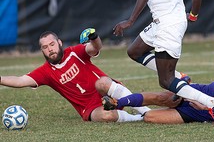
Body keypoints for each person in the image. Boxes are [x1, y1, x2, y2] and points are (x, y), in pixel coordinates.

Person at [103, 21, 214, 124]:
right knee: (163, 97)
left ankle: (135, 116)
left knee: (151, 117)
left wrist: (205, 105)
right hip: (202, 91)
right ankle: (118, 103)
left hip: (209, 112)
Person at [0, 28, 150, 122]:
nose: (50, 49)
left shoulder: (74, 52)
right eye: (45, 47)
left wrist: (94, 36)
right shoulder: (45, 72)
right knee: (106, 117)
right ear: (42, 51)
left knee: (101, 82)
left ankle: (146, 112)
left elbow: (95, 47)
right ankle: (138, 119)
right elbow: (20, 81)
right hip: (90, 108)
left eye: (52, 44)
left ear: (59, 42)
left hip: (108, 92)